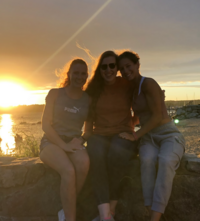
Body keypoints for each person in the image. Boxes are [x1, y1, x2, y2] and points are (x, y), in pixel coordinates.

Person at [118, 51, 185, 221]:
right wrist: (128, 126)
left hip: (168, 134)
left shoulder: (148, 84)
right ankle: (151, 210)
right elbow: (139, 114)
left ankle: (154, 218)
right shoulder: (132, 90)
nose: (125, 71)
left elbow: (156, 116)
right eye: (122, 69)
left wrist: (135, 136)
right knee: (146, 160)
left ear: (137, 65)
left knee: (166, 161)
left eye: (128, 66)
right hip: (149, 137)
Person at [85, 51, 138, 221]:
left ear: (117, 68)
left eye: (112, 66)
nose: (108, 70)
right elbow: (89, 116)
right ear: (99, 69)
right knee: (96, 156)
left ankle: (111, 210)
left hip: (123, 132)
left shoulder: (127, 85)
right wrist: (86, 136)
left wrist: (131, 125)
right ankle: (105, 215)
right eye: (104, 66)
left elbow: (139, 108)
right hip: (99, 133)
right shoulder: (94, 89)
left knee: (116, 155)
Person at [39, 58, 91, 221]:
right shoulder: (55, 94)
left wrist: (80, 141)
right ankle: (70, 218)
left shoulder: (88, 99)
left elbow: (88, 131)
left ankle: (66, 210)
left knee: (83, 164)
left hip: (73, 141)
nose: (79, 77)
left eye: (83, 74)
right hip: (51, 142)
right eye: (76, 73)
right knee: (68, 171)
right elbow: (46, 125)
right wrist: (63, 145)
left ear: (86, 76)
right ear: (69, 74)